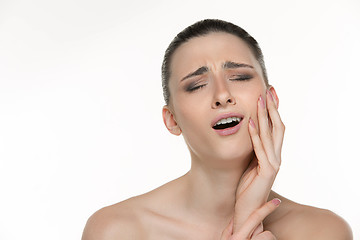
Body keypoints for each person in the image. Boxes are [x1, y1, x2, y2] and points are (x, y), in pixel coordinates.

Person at [81, 19, 352, 240]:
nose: (222, 94)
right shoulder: (117, 230)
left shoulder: (323, 231)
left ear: (272, 99)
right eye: (197, 85)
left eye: (240, 77)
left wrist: (248, 215)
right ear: (171, 119)